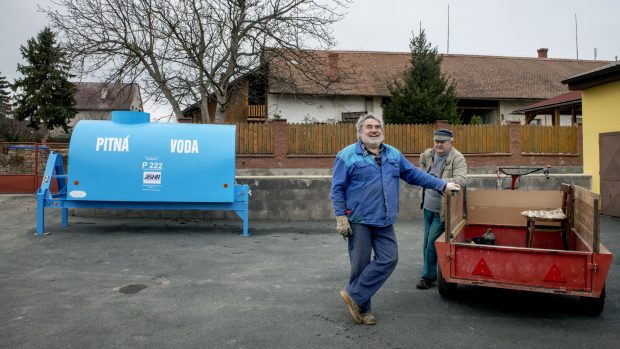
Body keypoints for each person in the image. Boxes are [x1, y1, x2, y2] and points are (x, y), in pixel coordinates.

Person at [330, 114, 460, 325]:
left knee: (389, 258)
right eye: (369, 127)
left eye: (377, 127)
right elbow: (337, 188)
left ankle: (353, 294)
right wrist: (340, 217)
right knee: (360, 265)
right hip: (359, 219)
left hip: (384, 220)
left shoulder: (393, 154)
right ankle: (363, 310)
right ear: (359, 132)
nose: (374, 130)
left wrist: (442, 185)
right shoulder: (346, 156)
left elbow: (415, 175)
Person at [416, 128, 468, 289]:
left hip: (443, 209)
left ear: (450, 142)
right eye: (436, 141)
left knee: (432, 242)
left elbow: (462, 180)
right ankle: (429, 269)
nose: (438, 144)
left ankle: (428, 276)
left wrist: (438, 181)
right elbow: (422, 167)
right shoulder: (428, 154)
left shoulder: (457, 158)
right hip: (427, 206)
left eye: (442, 142)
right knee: (426, 242)